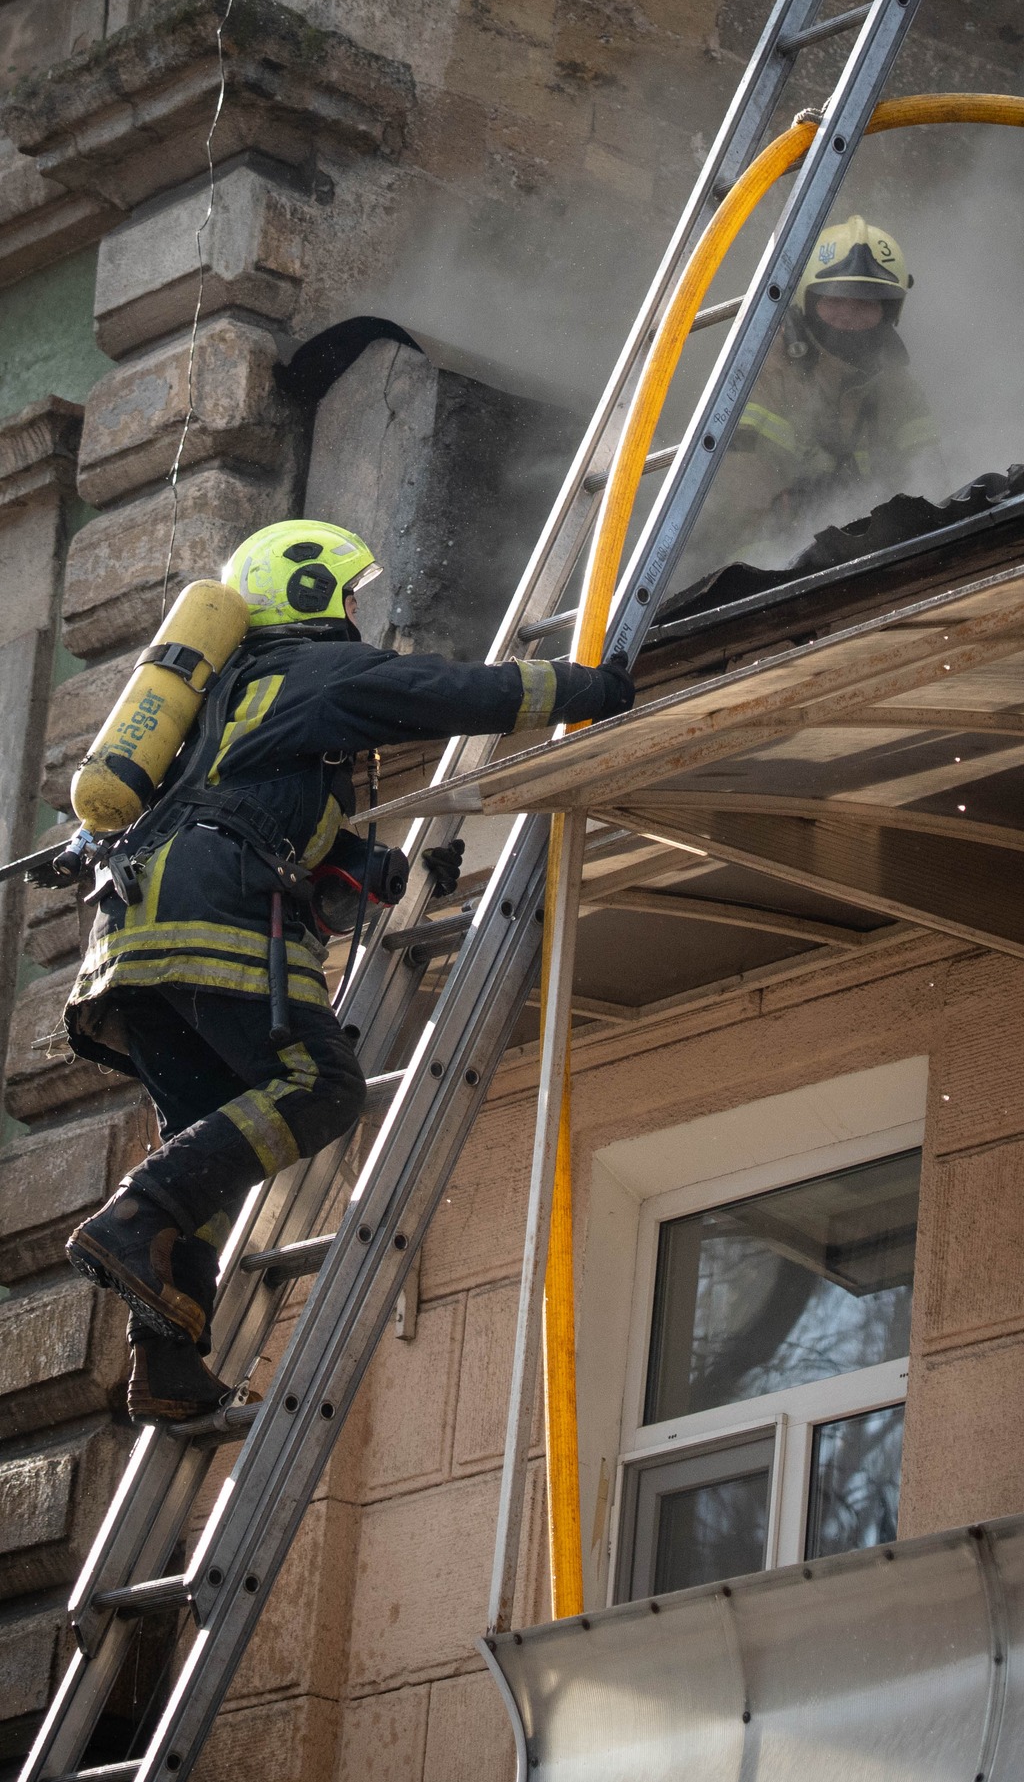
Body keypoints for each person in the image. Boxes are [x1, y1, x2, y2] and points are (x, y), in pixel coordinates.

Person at [65, 519, 634, 1423]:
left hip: (130, 945)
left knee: (206, 1141)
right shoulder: (320, 673)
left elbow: (263, 822)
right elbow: (447, 692)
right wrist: (590, 688)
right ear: (310, 592)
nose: (359, 611)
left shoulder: (217, 703)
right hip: (212, 919)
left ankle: (166, 1365)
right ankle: (135, 1215)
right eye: (350, 592)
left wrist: (375, 872)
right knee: (322, 1087)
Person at [683, 215, 937, 576]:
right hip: (784, 577)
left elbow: (929, 477)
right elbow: (741, 512)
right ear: (808, 299)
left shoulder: (897, 387)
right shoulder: (767, 376)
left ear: (889, 311)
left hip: (881, 566)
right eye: (835, 300)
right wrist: (770, 578)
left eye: (866, 304)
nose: (848, 316)